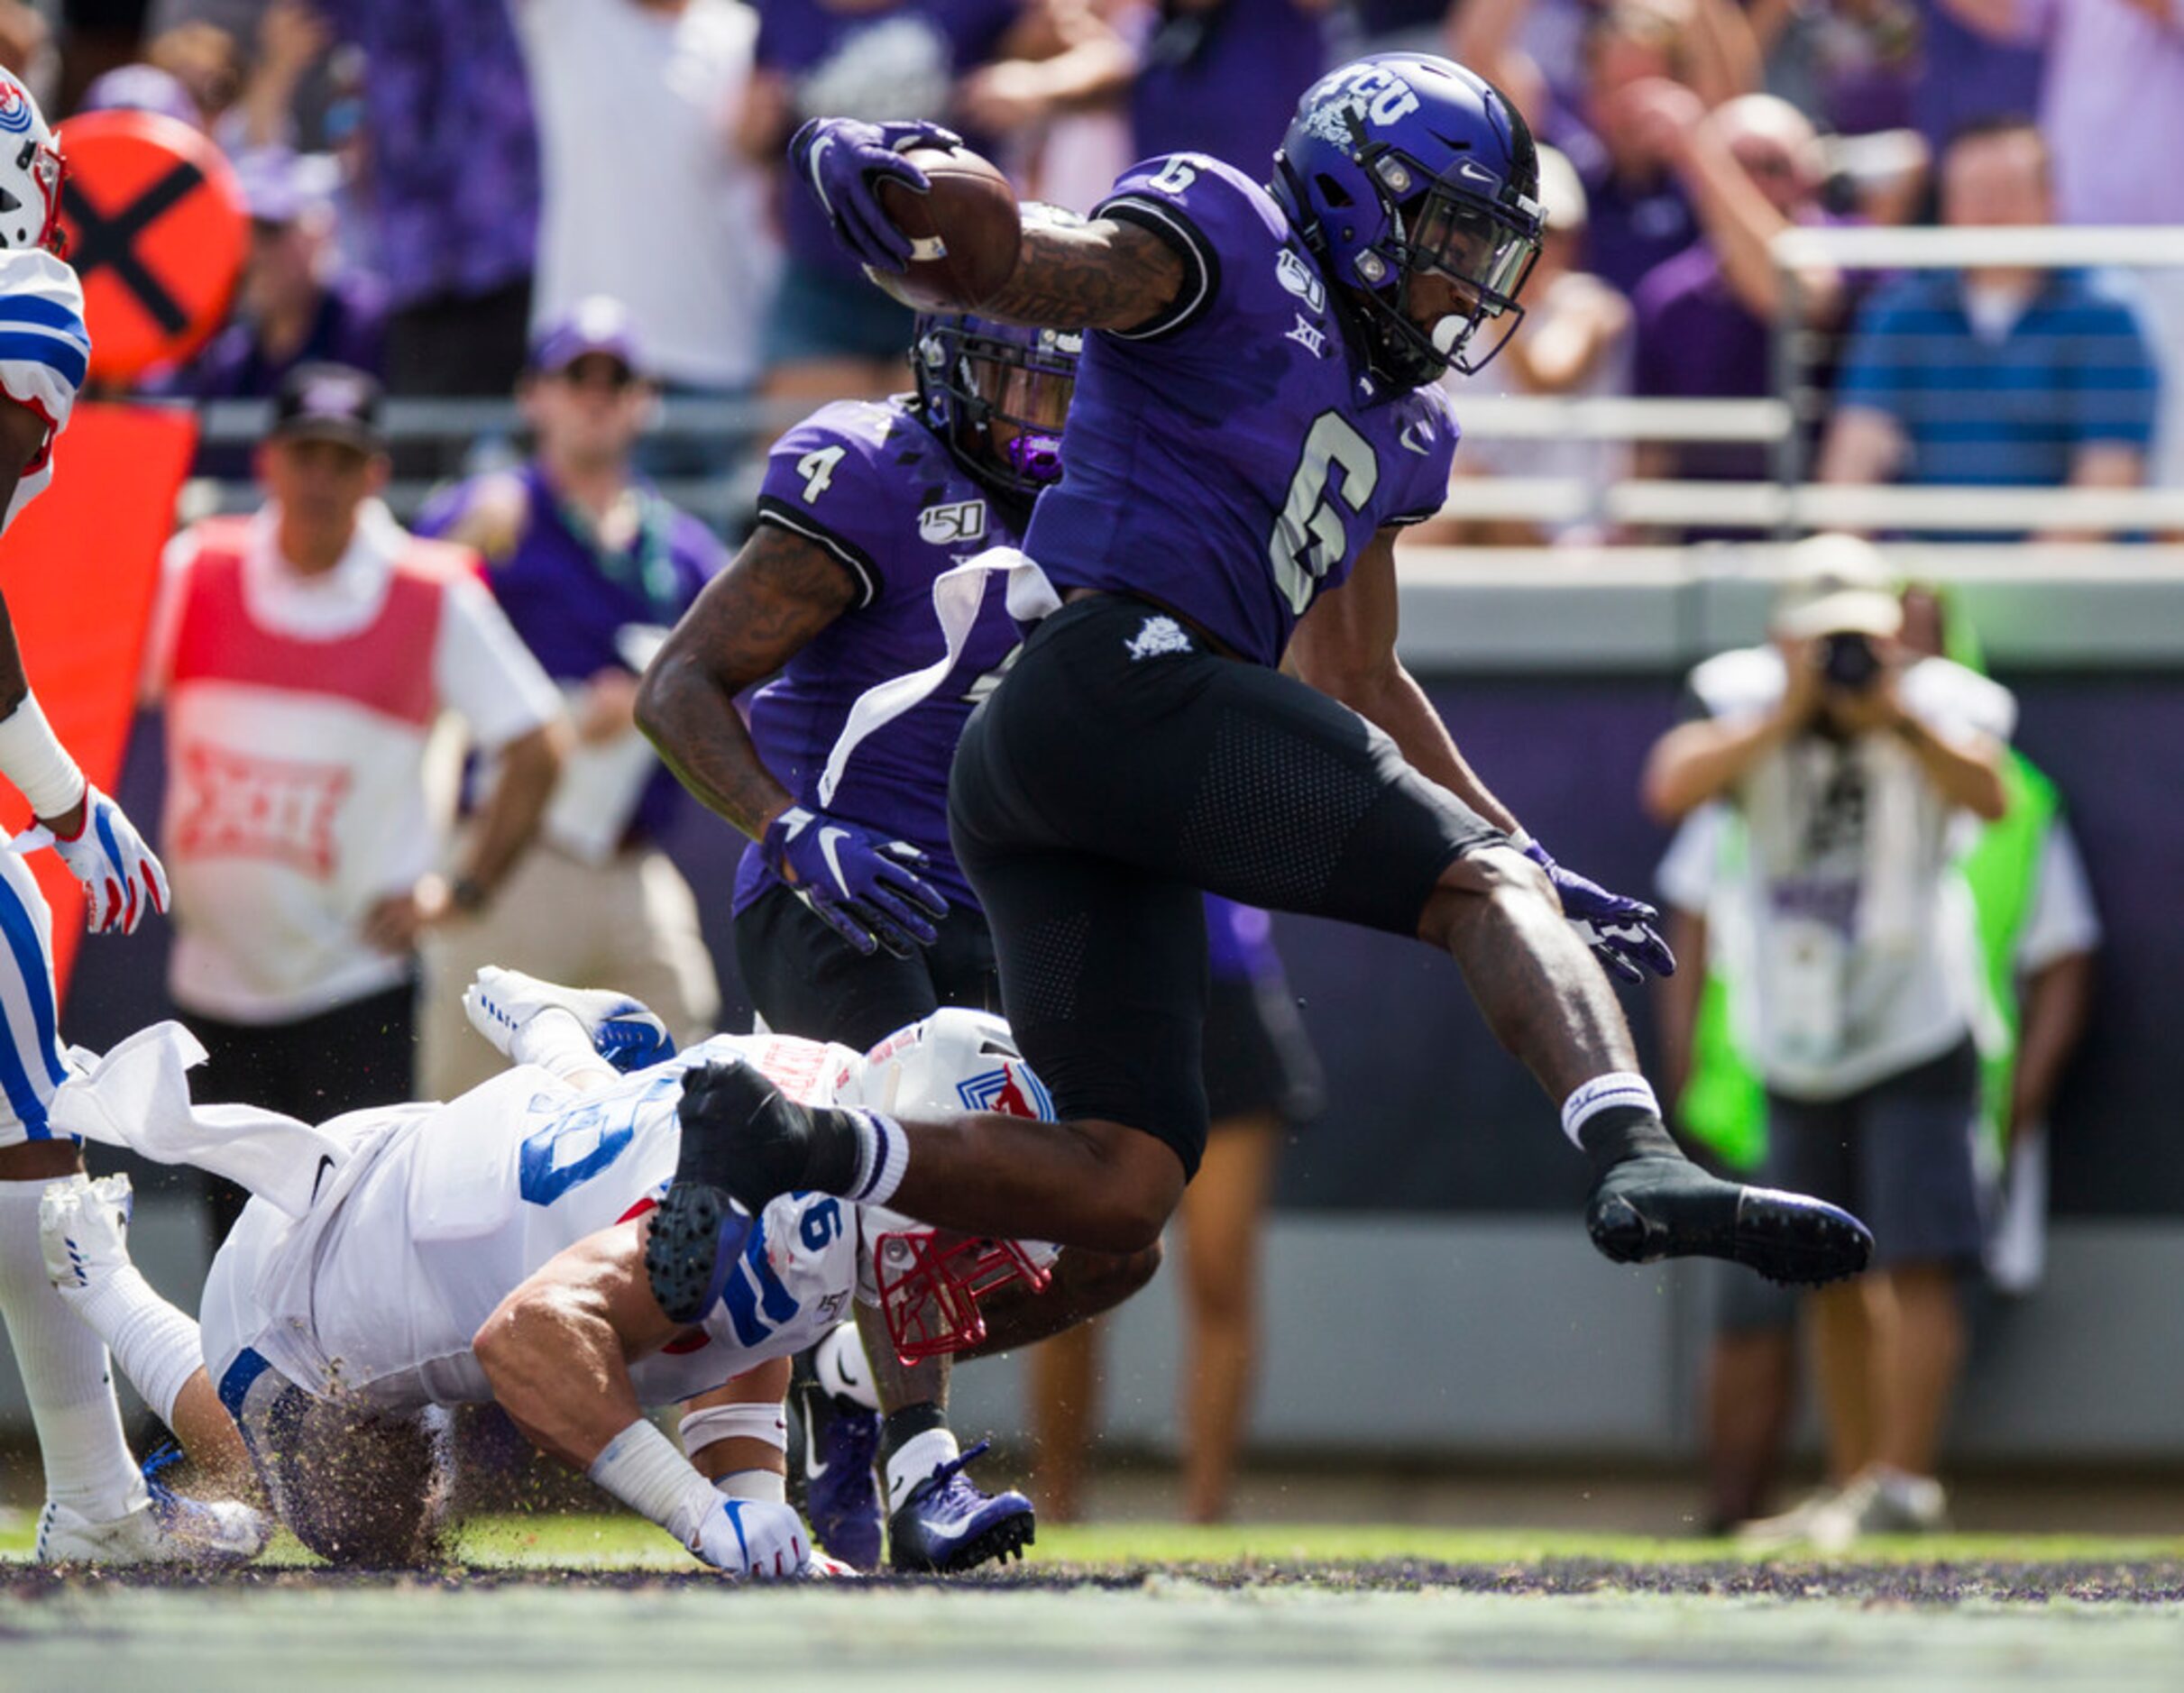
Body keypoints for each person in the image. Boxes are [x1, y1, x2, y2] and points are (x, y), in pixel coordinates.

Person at [643, 54, 1874, 1395]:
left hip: (1080, 768)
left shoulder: (1406, 423)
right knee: (1474, 889)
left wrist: (1520, 851)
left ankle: (797, 1146)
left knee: (1120, 1190)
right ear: (1357, 195)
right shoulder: (1229, 239)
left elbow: (1358, 672)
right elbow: (1038, 265)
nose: (1469, 281)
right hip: (1118, 674)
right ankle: (1637, 1154)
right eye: (1452, 236)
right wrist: (932, 205)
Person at [636, 283, 1160, 1571]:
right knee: (912, 1123)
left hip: (996, 895)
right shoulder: (870, 472)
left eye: (1060, 385)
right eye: (1014, 380)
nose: (1037, 417)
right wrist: (786, 825)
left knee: (1111, 1233)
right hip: (837, 883)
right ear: (943, 367)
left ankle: (855, 1383)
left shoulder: (1104, 508)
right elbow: (678, 686)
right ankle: (923, 1460)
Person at [40, 977, 1071, 1575]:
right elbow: (526, 1342)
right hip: (306, 1285)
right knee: (375, 1537)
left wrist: (762, 1498)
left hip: (450, 1163)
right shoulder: (784, 1216)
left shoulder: (820, 1103)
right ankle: (111, 1286)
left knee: (637, 1207)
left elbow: (744, 1320)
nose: (971, 1257)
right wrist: (710, 1520)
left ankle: (563, 1043)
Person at [0, 67, 259, 1567]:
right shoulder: (27, 300)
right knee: (35, 1152)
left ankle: (101, 1498)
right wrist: (62, 796)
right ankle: (101, 1504)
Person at [1642, 535, 2013, 1546]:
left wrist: (1892, 718)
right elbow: (1669, 785)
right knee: (1828, 1262)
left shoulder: (1940, 704)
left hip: (1914, 1020)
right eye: (1822, 639)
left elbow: (1993, 795)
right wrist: (1787, 715)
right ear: (1782, 639)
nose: (1841, 655)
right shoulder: (1744, 704)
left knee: (1921, 1258)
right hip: (1796, 1030)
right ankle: (1854, 1486)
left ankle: (1903, 1482)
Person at [142, 363, 567, 1241]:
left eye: (343, 459)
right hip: (213, 988)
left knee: (348, 1256)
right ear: (269, 462)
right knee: (234, 1262)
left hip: (353, 992)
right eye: (306, 455)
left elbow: (537, 744)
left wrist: (461, 892)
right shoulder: (195, 568)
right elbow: (97, 691)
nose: (321, 480)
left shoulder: (429, 590)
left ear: (375, 473)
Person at [411, 299, 725, 1102]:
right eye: (574, 376)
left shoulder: (681, 546)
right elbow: (410, 634)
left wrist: (654, 703)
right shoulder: (494, 515)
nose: (595, 395)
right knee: (468, 1110)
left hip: (629, 857)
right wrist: (460, 543)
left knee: (677, 1082)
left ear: (643, 398)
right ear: (533, 396)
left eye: (615, 378)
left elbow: (744, 679)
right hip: (511, 851)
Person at [1029, 893, 1323, 1524]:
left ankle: (1207, 1513)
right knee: (1078, 1281)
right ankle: (1056, 1509)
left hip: (1225, 1002)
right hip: (1104, 1005)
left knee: (1219, 1280)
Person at [1817, 117, 2162, 541]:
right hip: (1928, 589)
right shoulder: (1903, 311)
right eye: (1976, 194)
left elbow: (2108, 481)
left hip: (2072, 595)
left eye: (2010, 193)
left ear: (2051, 200)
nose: (1993, 212)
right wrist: (1842, 564)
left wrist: (2012, 594)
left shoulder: (2110, 312)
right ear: (1948, 207)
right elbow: (1855, 457)